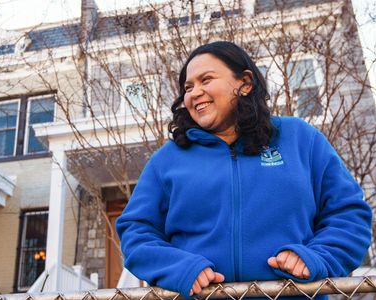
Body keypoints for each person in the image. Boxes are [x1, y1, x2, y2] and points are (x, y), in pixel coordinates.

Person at [116, 41, 372, 299]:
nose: (195, 93)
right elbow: (136, 231)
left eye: (206, 79)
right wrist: (179, 268)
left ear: (245, 83)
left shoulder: (300, 139)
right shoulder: (167, 159)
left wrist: (316, 256)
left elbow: (349, 214)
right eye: (188, 87)